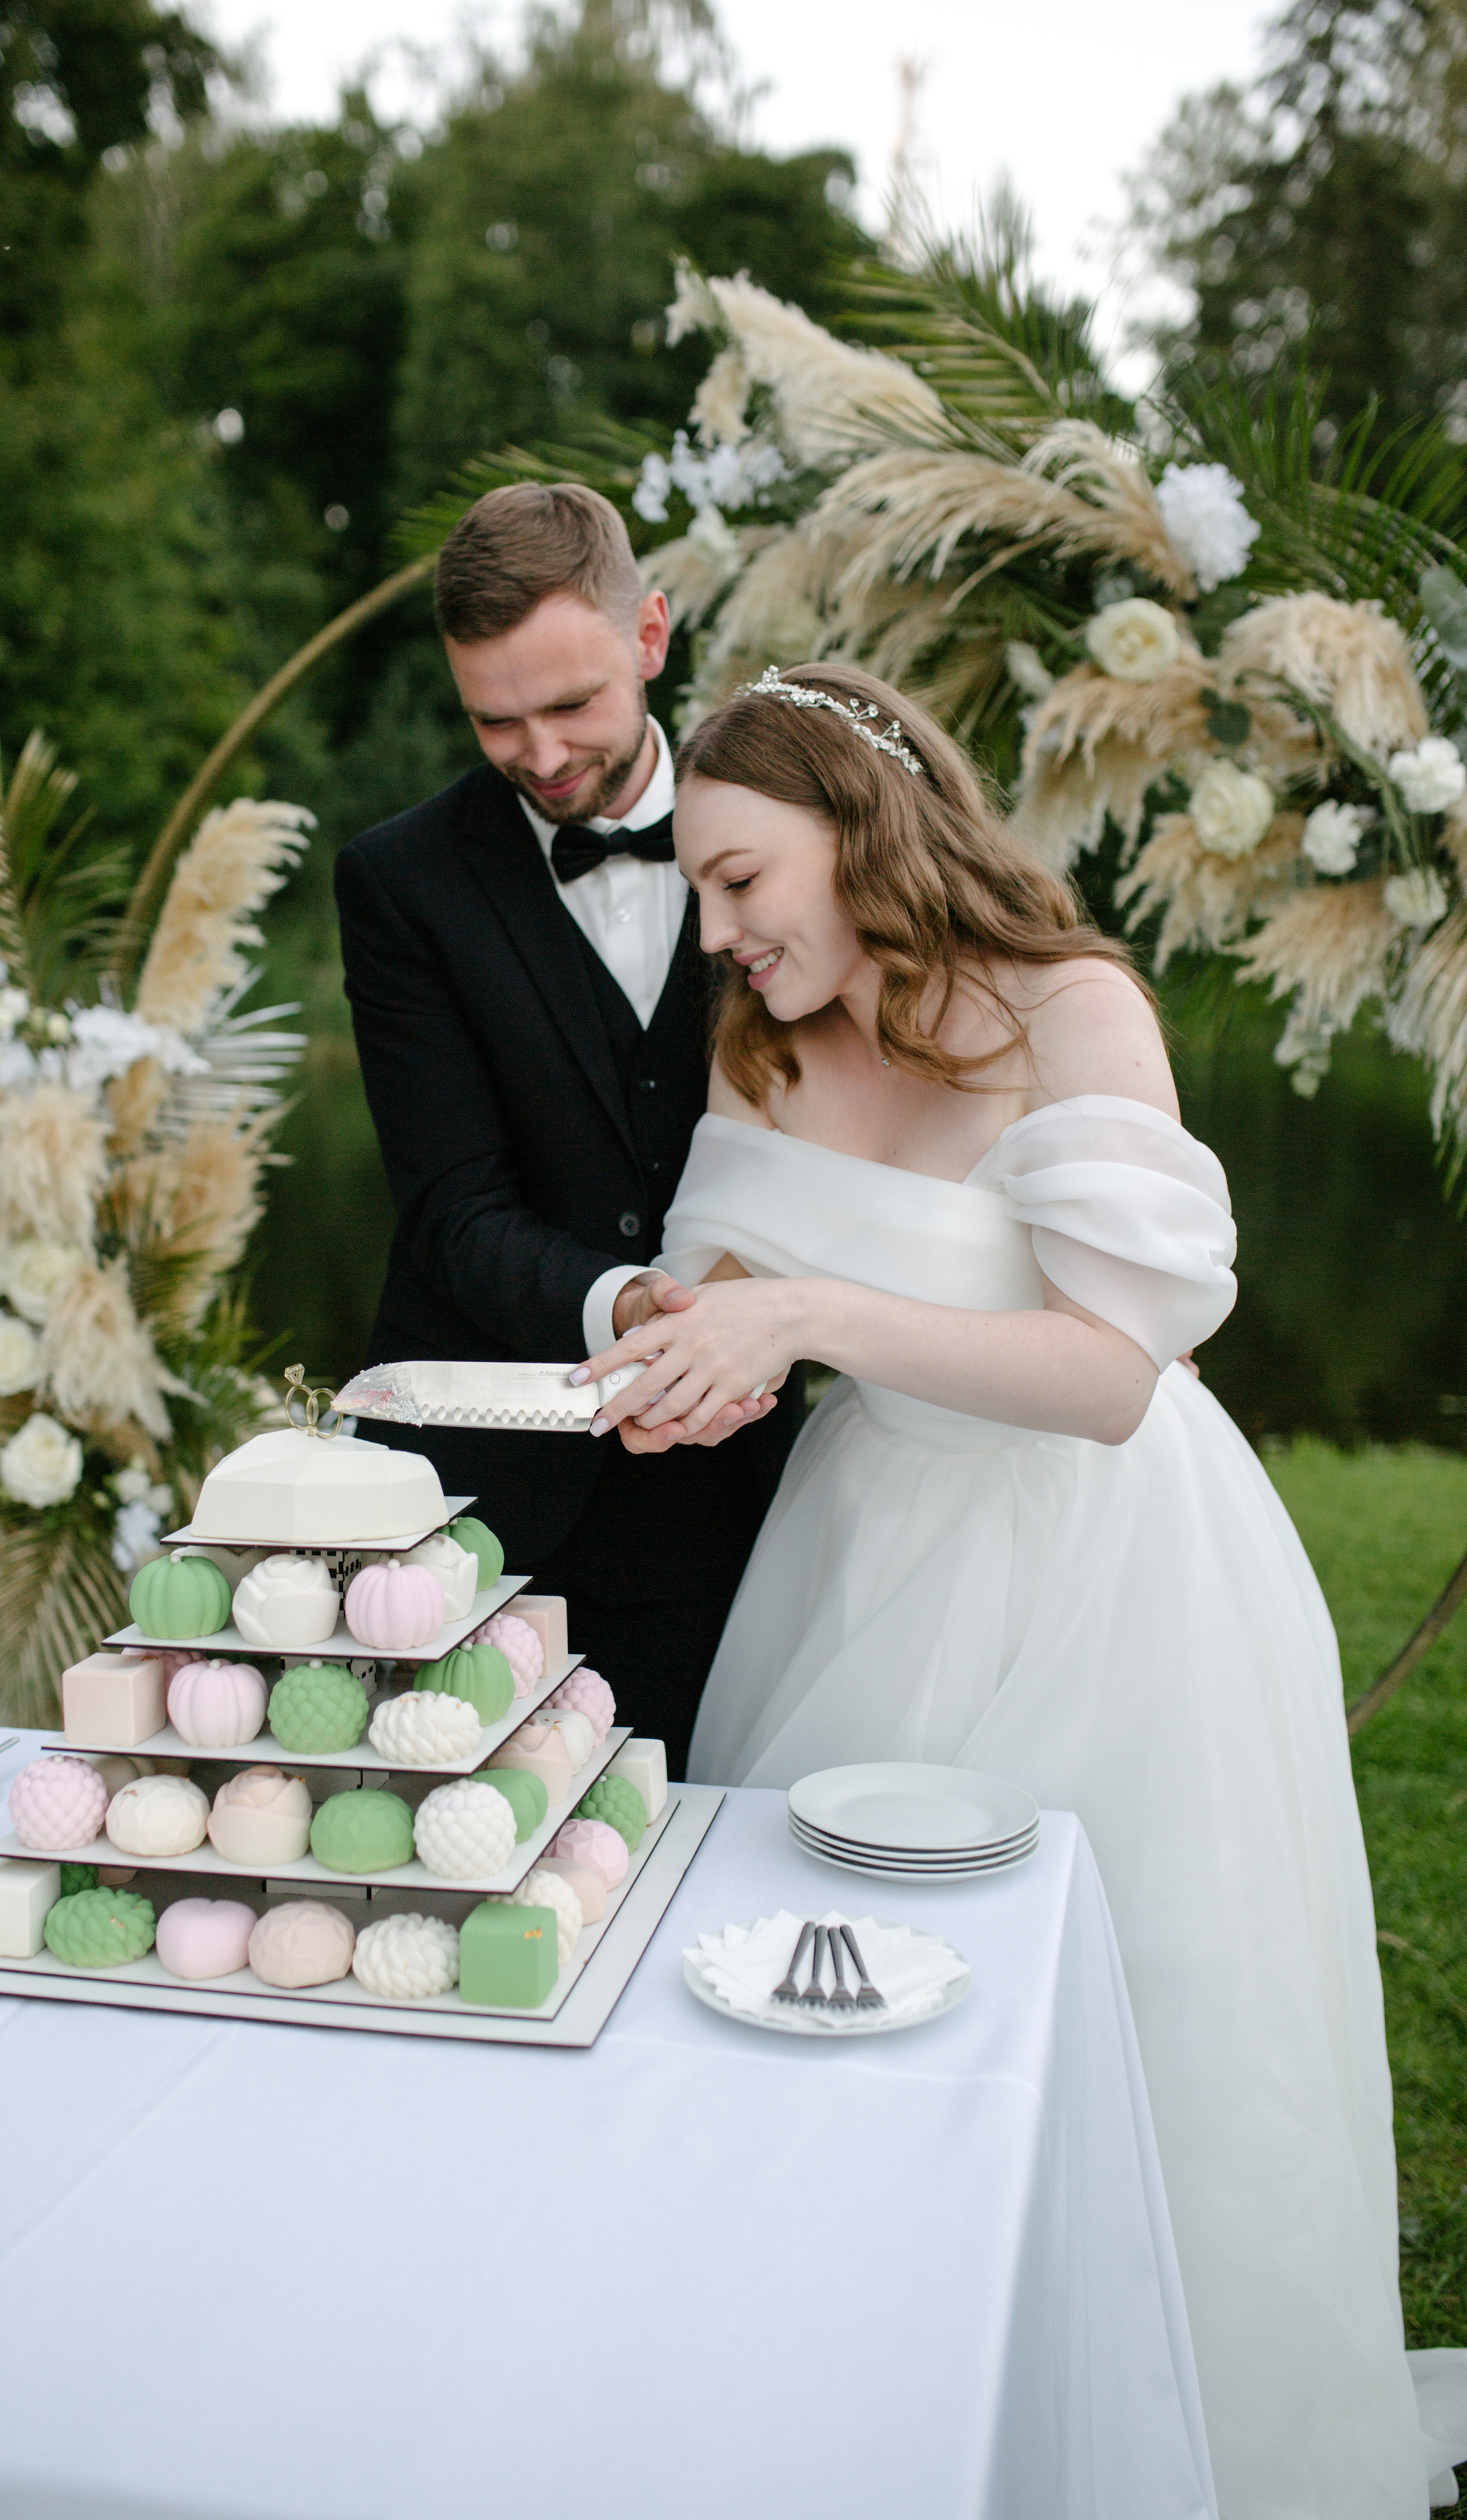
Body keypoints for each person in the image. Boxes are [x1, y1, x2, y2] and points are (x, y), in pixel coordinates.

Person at [575, 661, 1467, 2517]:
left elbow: (1106, 1376)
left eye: (743, 881)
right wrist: (694, 1342)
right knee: (821, 2025)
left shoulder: (1071, 1010)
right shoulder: (761, 1042)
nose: (717, 930)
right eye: (697, 891)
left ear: (857, 825)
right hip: (859, 1557)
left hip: (1116, 1577)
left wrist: (812, 1314)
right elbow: (723, 1267)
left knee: (1157, 2039)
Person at [333, 482, 792, 1775]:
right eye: (496, 719)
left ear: (650, 636)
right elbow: (453, 1209)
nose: (539, 753)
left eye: (573, 704)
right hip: (478, 1484)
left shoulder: (792, 836)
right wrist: (628, 1307)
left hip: (732, 1483)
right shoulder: (399, 884)